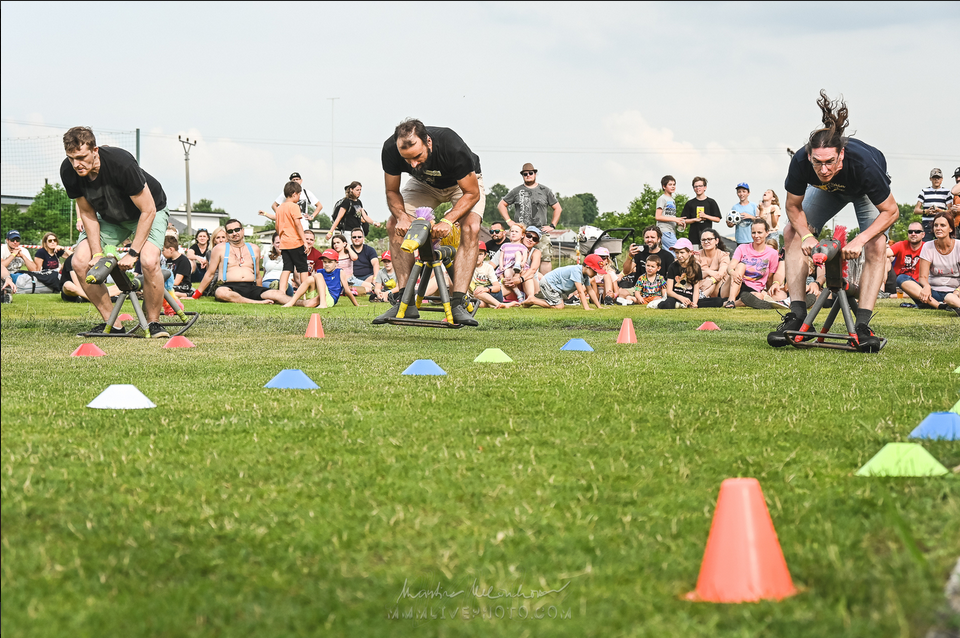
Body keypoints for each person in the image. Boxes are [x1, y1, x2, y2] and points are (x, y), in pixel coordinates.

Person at [768, 91, 900, 351]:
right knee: (791, 232)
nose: (824, 169)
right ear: (809, 157)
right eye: (818, 163)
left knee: (875, 244)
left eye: (830, 162)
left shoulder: (863, 166)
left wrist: (860, 239)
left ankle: (863, 325)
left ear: (841, 155)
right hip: (830, 192)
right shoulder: (800, 162)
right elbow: (792, 207)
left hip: (863, 192)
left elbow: (891, 211)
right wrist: (807, 235)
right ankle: (797, 316)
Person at [60, 126, 170, 337]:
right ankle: (114, 323)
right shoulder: (68, 171)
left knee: (148, 260)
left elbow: (148, 210)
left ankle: (154, 323)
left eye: (81, 157)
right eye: (71, 158)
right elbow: (88, 214)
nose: (76, 164)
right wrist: (97, 254)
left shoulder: (121, 163)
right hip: (110, 217)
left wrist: (133, 253)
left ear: (95, 150)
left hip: (148, 211)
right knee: (79, 261)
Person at [376, 118, 485, 325]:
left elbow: (472, 193)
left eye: (417, 157)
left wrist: (448, 220)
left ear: (428, 142)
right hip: (423, 184)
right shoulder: (391, 149)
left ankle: (459, 302)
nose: (414, 164)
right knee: (393, 225)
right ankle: (404, 301)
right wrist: (401, 216)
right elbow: (391, 191)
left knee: (471, 226)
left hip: (461, 186)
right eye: (407, 160)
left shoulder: (452, 145)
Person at [192, 219, 317, 306]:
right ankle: (255, 302)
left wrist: (261, 290)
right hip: (229, 285)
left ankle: (304, 303)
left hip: (250, 286)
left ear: (242, 230)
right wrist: (196, 295)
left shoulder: (254, 248)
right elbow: (209, 273)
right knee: (220, 293)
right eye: (230, 231)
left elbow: (257, 275)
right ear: (227, 234)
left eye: (237, 230)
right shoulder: (220, 248)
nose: (234, 233)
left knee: (276, 293)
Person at [497, 163, 562, 274]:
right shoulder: (516, 191)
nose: (528, 175)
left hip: (540, 230)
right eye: (525, 174)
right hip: (522, 231)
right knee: (518, 256)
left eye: (530, 173)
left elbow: (558, 208)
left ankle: (544, 286)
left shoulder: (545, 190)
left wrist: (552, 225)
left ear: (535, 174)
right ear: (522, 175)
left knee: (545, 258)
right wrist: (509, 221)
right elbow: (501, 205)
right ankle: (519, 282)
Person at [899, 211, 959, 313]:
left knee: (950, 298)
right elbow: (923, 277)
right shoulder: (928, 246)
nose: (938, 228)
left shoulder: (959, 246)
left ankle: (951, 303)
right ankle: (940, 306)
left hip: (955, 292)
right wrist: (926, 287)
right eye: (936, 225)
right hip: (932, 293)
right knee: (902, 278)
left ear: (951, 229)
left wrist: (956, 293)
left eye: (942, 225)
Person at [264, 181, 309, 298]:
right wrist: (304, 241)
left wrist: (282, 236)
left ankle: (281, 293)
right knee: (303, 268)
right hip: (295, 242)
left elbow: (277, 227)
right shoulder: (294, 207)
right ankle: (305, 294)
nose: (299, 197)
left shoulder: (279, 208)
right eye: (299, 194)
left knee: (287, 268)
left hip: (284, 244)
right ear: (294, 194)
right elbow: (298, 224)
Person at [725, 219, 783, 309]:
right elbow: (731, 266)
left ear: (767, 233)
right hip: (734, 285)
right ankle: (731, 300)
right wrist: (732, 272)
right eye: (753, 232)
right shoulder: (742, 248)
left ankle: (733, 303)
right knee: (741, 265)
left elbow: (769, 278)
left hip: (753, 290)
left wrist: (769, 292)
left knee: (758, 296)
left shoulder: (772, 253)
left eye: (759, 232)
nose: (756, 236)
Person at [522, 254, 605, 310]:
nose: (596, 273)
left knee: (560, 304)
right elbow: (580, 291)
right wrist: (586, 307)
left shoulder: (585, 275)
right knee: (559, 306)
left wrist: (599, 307)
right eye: (594, 271)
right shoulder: (577, 271)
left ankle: (530, 302)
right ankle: (533, 300)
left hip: (555, 286)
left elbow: (590, 291)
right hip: (549, 283)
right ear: (587, 267)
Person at [657, 239, 723, 309]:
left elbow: (696, 290)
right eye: (677, 252)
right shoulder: (672, 266)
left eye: (682, 252)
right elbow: (669, 291)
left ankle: (685, 305)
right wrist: (681, 298)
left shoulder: (696, 267)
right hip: (675, 297)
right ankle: (674, 304)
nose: (679, 255)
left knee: (718, 301)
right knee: (668, 304)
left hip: (689, 298)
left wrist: (694, 303)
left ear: (690, 252)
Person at [681, 176, 722, 250]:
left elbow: (717, 219)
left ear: (705, 187)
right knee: (695, 258)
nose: (698, 188)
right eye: (695, 186)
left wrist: (705, 216)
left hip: (708, 238)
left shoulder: (711, 202)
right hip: (694, 238)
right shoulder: (689, 203)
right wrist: (694, 220)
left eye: (700, 186)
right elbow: (683, 220)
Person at [914, 168, 951, 242]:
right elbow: (916, 210)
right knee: (926, 245)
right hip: (927, 224)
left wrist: (941, 211)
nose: (936, 180)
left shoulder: (946, 192)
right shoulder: (924, 191)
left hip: (941, 222)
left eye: (938, 178)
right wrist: (926, 211)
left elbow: (951, 211)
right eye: (934, 178)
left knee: (941, 244)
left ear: (942, 179)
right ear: (930, 179)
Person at [890, 222, 926, 294]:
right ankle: (880, 292)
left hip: (917, 284)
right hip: (897, 282)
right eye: (910, 232)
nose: (913, 234)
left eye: (917, 232)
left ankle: (890, 295)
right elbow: (884, 254)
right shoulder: (901, 244)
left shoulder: (927, 248)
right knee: (884, 259)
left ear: (923, 234)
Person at [471, 242, 509, 308]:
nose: (477, 256)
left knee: (477, 292)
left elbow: (497, 287)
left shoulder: (488, 267)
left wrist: (486, 289)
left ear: (485, 255)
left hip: (492, 294)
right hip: (477, 297)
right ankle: (502, 305)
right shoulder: (467, 268)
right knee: (477, 303)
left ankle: (498, 304)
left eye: (480, 254)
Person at [696, 228, 731, 298]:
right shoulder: (696, 255)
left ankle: (702, 296)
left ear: (716, 241)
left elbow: (721, 274)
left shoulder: (723, 255)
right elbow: (695, 273)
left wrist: (711, 280)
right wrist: (709, 273)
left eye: (709, 239)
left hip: (720, 287)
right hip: (701, 284)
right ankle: (702, 296)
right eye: (703, 240)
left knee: (716, 280)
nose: (706, 242)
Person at [654, 175, 684, 250]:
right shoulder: (662, 198)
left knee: (668, 254)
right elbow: (658, 216)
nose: (673, 186)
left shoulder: (672, 200)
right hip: (665, 231)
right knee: (676, 251)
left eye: (674, 184)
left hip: (671, 231)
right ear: (664, 186)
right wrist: (675, 219)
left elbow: (669, 216)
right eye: (670, 185)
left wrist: (678, 222)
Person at [347, 229, 380, 294]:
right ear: (351, 239)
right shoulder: (347, 250)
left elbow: (376, 264)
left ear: (363, 238)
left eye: (359, 237)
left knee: (373, 278)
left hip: (368, 278)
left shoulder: (370, 250)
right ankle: (367, 290)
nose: (357, 239)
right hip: (352, 278)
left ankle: (359, 290)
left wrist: (375, 278)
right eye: (354, 237)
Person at [727, 183, 757, 247]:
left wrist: (750, 217)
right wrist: (730, 224)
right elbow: (731, 224)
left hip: (753, 239)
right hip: (740, 240)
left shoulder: (754, 206)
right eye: (739, 192)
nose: (741, 194)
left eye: (744, 191)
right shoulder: (735, 207)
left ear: (748, 193)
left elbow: (760, 221)